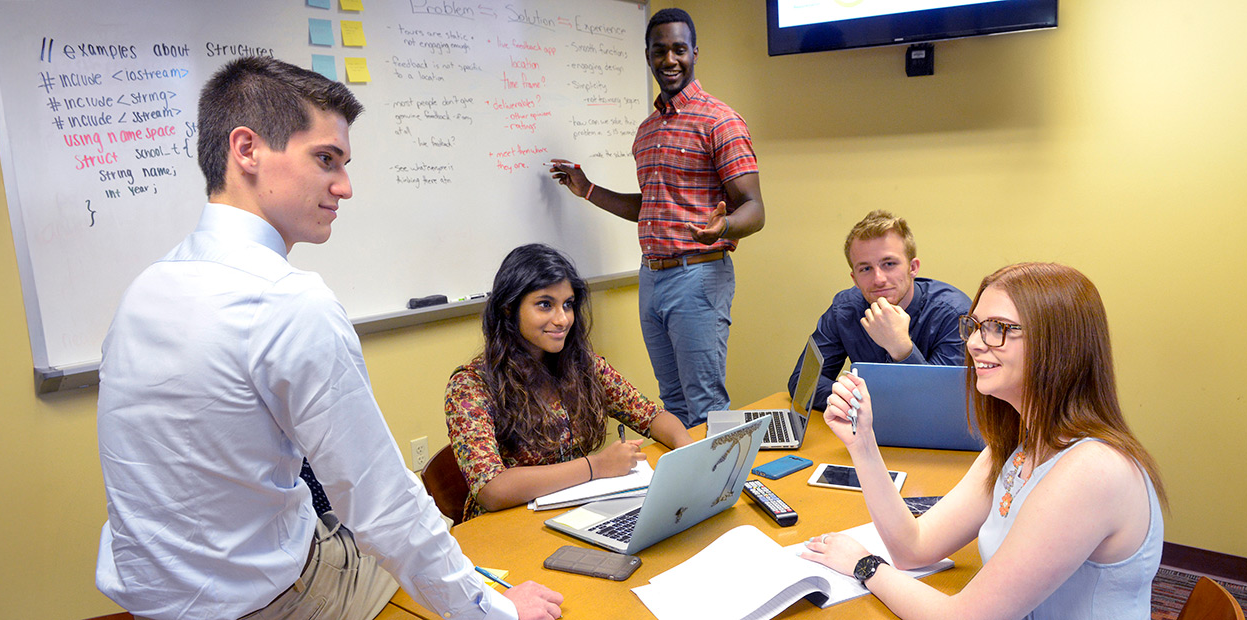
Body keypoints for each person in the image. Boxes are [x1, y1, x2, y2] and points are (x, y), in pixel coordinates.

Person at [95, 57, 562, 620]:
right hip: (275, 601)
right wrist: (496, 611)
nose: (344, 186)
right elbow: (382, 506)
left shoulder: (143, 291)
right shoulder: (287, 299)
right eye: (325, 160)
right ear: (247, 150)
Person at [800, 262, 1167, 619]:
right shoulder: (1017, 445)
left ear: (1060, 345)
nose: (975, 343)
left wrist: (865, 566)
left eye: (998, 328)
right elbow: (914, 547)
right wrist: (861, 444)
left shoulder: (1092, 471)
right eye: (975, 326)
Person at [549, 8, 766, 427]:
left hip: (699, 276)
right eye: (660, 50)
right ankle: (690, 494)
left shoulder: (720, 120)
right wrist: (589, 190)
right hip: (652, 277)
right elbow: (650, 207)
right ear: (647, 55)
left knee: (704, 403)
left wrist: (724, 226)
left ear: (695, 53)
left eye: (679, 49)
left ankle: (719, 493)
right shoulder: (647, 131)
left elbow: (754, 208)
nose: (670, 60)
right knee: (670, 404)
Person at [446, 244, 694, 521]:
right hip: (507, 526)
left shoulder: (583, 364)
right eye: (545, 304)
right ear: (508, 308)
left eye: (568, 304)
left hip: (575, 511)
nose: (562, 319)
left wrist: (687, 450)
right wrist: (595, 467)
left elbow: (652, 416)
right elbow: (491, 489)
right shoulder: (471, 385)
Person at [789, 210, 970, 410]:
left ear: (913, 267)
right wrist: (861, 401)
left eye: (889, 264)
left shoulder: (954, 313)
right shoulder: (845, 310)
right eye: (865, 269)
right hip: (863, 431)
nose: (879, 279)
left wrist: (902, 349)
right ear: (854, 279)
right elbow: (802, 383)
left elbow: (945, 403)